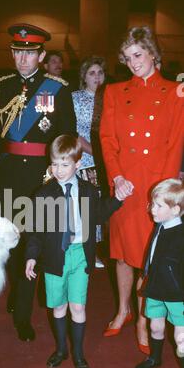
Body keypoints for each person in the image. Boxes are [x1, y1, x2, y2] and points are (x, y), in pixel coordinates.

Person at [0, 23, 76, 341]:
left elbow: (67, 138)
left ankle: (23, 313)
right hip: (8, 174)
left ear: (41, 54)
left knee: (35, 242)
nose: (23, 59)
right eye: (18, 52)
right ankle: (16, 289)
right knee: (7, 240)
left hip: (41, 176)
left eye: (29, 53)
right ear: (12, 53)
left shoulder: (58, 89)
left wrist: (59, 171)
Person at [100, 26, 184, 354]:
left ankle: (143, 319)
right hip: (126, 187)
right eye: (127, 57)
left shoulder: (175, 92)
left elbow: (176, 141)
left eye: (138, 55)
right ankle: (122, 309)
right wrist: (117, 178)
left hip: (156, 190)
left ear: (153, 54)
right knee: (122, 255)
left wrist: (164, 194)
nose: (132, 62)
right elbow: (107, 140)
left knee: (148, 257)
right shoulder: (114, 92)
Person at [25, 135, 125, 368]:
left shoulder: (89, 191)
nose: (58, 170)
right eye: (54, 164)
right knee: (58, 307)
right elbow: (36, 230)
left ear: (78, 164)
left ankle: (79, 354)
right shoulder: (44, 194)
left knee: (77, 307)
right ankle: (61, 349)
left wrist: (117, 200)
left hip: (80, 254)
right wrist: (30, 256)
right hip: (54, 256)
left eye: (65, 164)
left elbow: (98, 215)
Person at [135, 179, 184, 368]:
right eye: (152, 204)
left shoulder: (180, 234)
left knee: (181, 339)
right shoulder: (161, 226)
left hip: (176, 293)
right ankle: (154, 358)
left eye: (158, 205)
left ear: (175, 209)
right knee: (155, 327)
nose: (152, 209)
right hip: (155, 288)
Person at [72, 56, 107, 268]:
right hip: (83, 159)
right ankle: (79, 251)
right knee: (81, 206)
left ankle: (92, 252)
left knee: (96, 207)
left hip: (104, 161)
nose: (97, 77)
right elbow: (74, 133)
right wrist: (97, 154)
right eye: (92, 73)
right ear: (84, 76)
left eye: (100, 72)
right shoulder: (75, 98)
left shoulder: (110, 98)